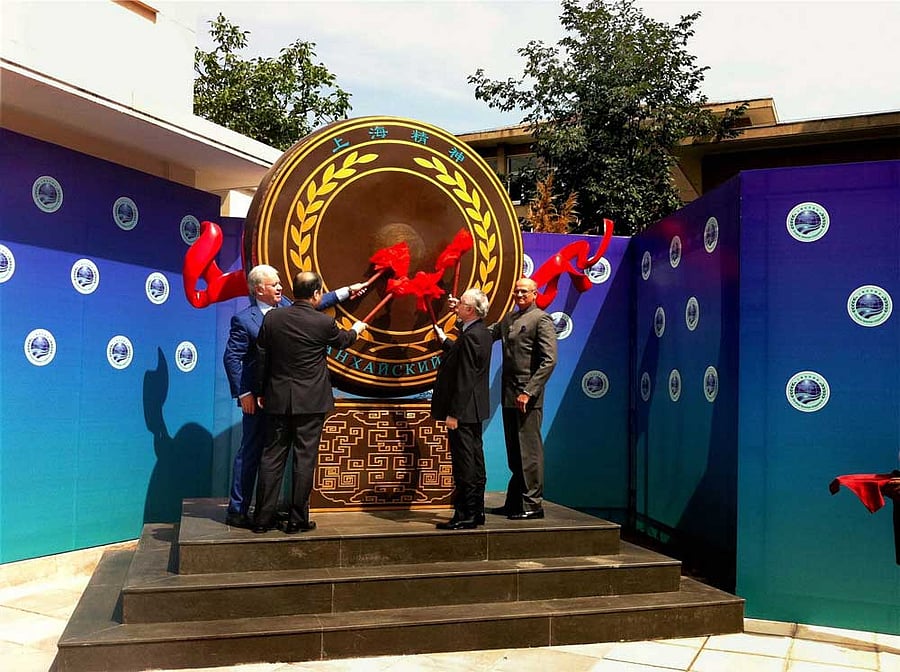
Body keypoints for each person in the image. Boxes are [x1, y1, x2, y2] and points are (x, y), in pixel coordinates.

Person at [222, 264, 365, 529]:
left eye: (280, 283)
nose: (279, 288)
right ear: (258, 289)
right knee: (254, 452)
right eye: (274, 284)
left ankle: (263, 518)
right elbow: (233, 358)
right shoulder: (245, 319)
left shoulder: (280, 311)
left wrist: (346, 292)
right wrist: (247, 393)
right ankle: (238, 509)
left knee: (271, 458)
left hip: (274, 398)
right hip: (261, 399)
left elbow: (311, 303)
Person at [489, 277, 558, 520]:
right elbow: (486, 335)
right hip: (509, 395)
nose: (519, 295)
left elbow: (549, 360)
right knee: (514, 452)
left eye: (524, 291)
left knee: (529, 452)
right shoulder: (509, 318)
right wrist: (460, 322)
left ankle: (533, 504)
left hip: (527, 397)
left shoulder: (541, 319)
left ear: (535, 294)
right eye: (517, 291)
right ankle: (515, 501)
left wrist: (529, 391)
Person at [430, 288, 492, 530]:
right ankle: (476, 511)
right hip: (474, 409)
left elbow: (465, 376)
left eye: (461, 304)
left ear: (471, 310)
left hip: (463, 411)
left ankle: (465, 514)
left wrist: (453, 413)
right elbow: (461, 354)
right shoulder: (480, 332)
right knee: (475, 459)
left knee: (465, 462)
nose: (456, 306)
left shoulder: (471, 337)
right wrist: (446, 340)